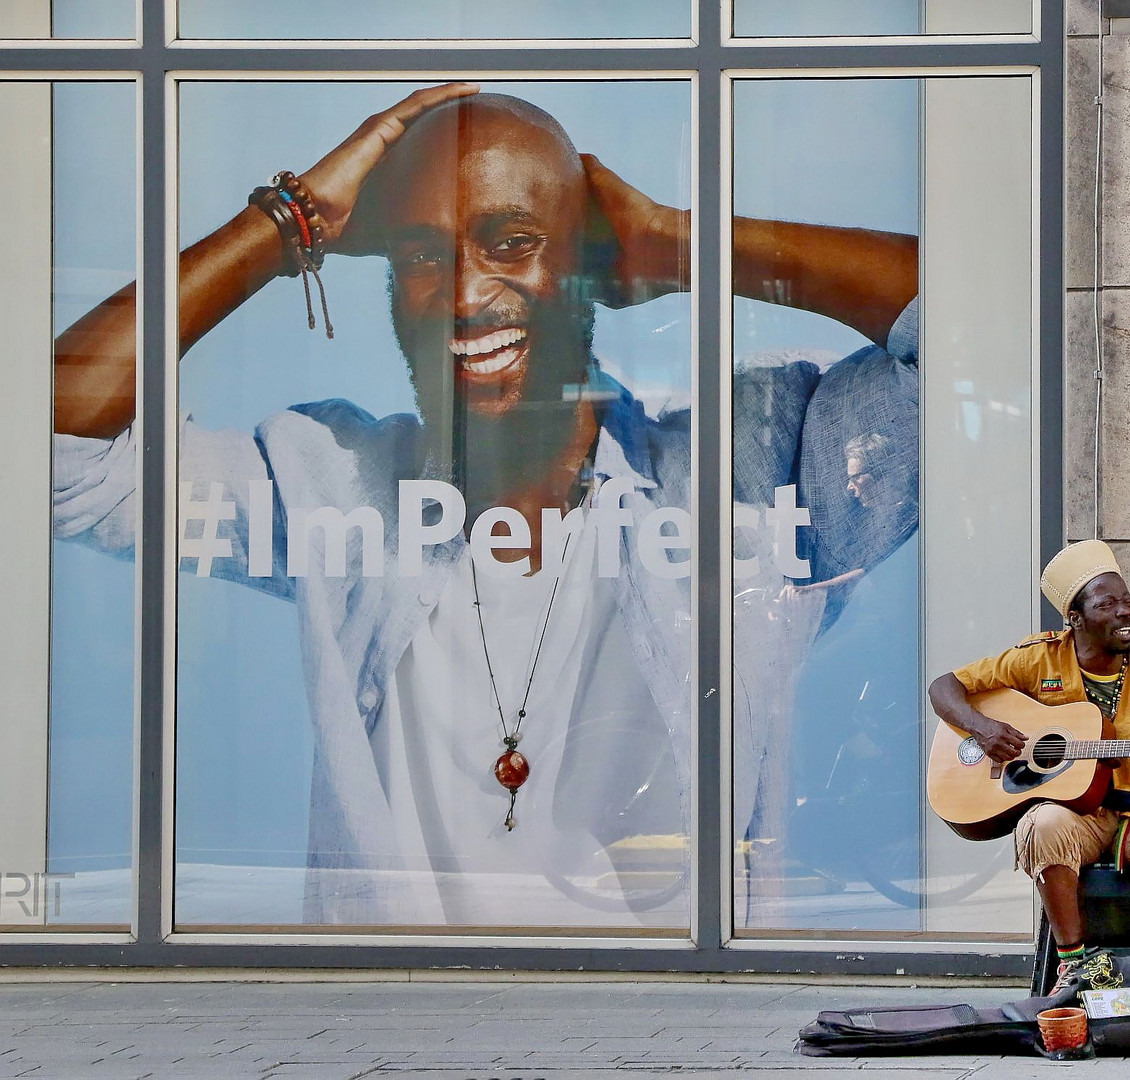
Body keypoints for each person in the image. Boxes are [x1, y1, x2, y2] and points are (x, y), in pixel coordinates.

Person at [52, 84, 921, 926]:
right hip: (389, 1020)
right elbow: (57, 457)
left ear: (584, 265)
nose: (466, 295)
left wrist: (672, 241)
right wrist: (286, 225)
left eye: (512, 242)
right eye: (424, 256)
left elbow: (972, 331)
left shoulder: (749, 472)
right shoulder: (333, 485)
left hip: (669, 1012)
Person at [927, 540, 1130, 995]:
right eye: (1108, 604)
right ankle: (1073, 964)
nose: (1125, 613)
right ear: (1076, 618)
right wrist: (983, 728)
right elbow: (944, 687)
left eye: (1128, 602)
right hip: (1073, 818)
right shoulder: (1036, 659)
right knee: (1042, 822)